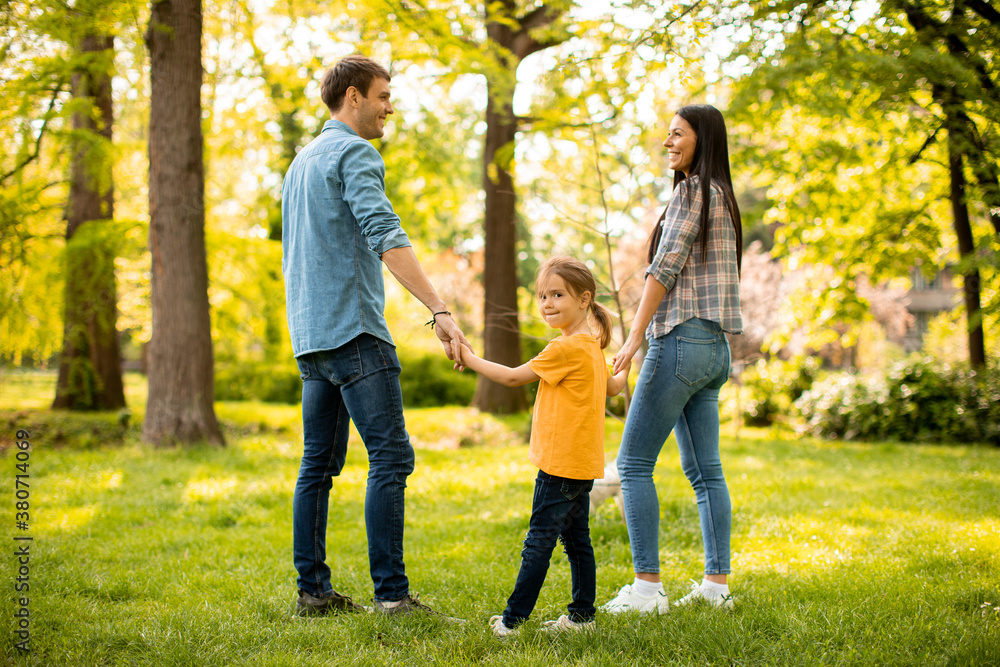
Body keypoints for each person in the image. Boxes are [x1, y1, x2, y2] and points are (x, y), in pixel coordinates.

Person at [281, 54, 469, 617]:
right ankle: (392, 597)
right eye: (384, 95)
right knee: (391, 458)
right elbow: (386, 234)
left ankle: (312, 592)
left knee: (317, 465)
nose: (391, 106)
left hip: (311, 338)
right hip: (356, 333)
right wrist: (439, 308)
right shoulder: (355, 152)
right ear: (354, 97)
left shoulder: (300, 162)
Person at [601, 104, 743, 614]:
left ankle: (646, 590)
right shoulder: (723, 197)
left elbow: (664, 268)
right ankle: (716, 587)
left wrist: (635, 336)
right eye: (667, 135)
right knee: (708, 473)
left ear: (702, 138)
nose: (668, 142)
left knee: (633, 463)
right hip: (715, 350)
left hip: (679, 341)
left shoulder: (692, 192)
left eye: (677, 134)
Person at [456, 256, 631, 636]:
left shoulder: (564, 349)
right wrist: (625, 365)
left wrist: (468, 358)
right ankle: (582, 616)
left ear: (584, 300)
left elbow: (512, 377)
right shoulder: (591, 347)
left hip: (558, 465)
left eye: (557, 294)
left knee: (538, 542)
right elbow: (613, 388)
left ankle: (512, 622)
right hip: (583, 465)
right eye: (542, 296)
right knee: (577, 542)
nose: (547, 303)